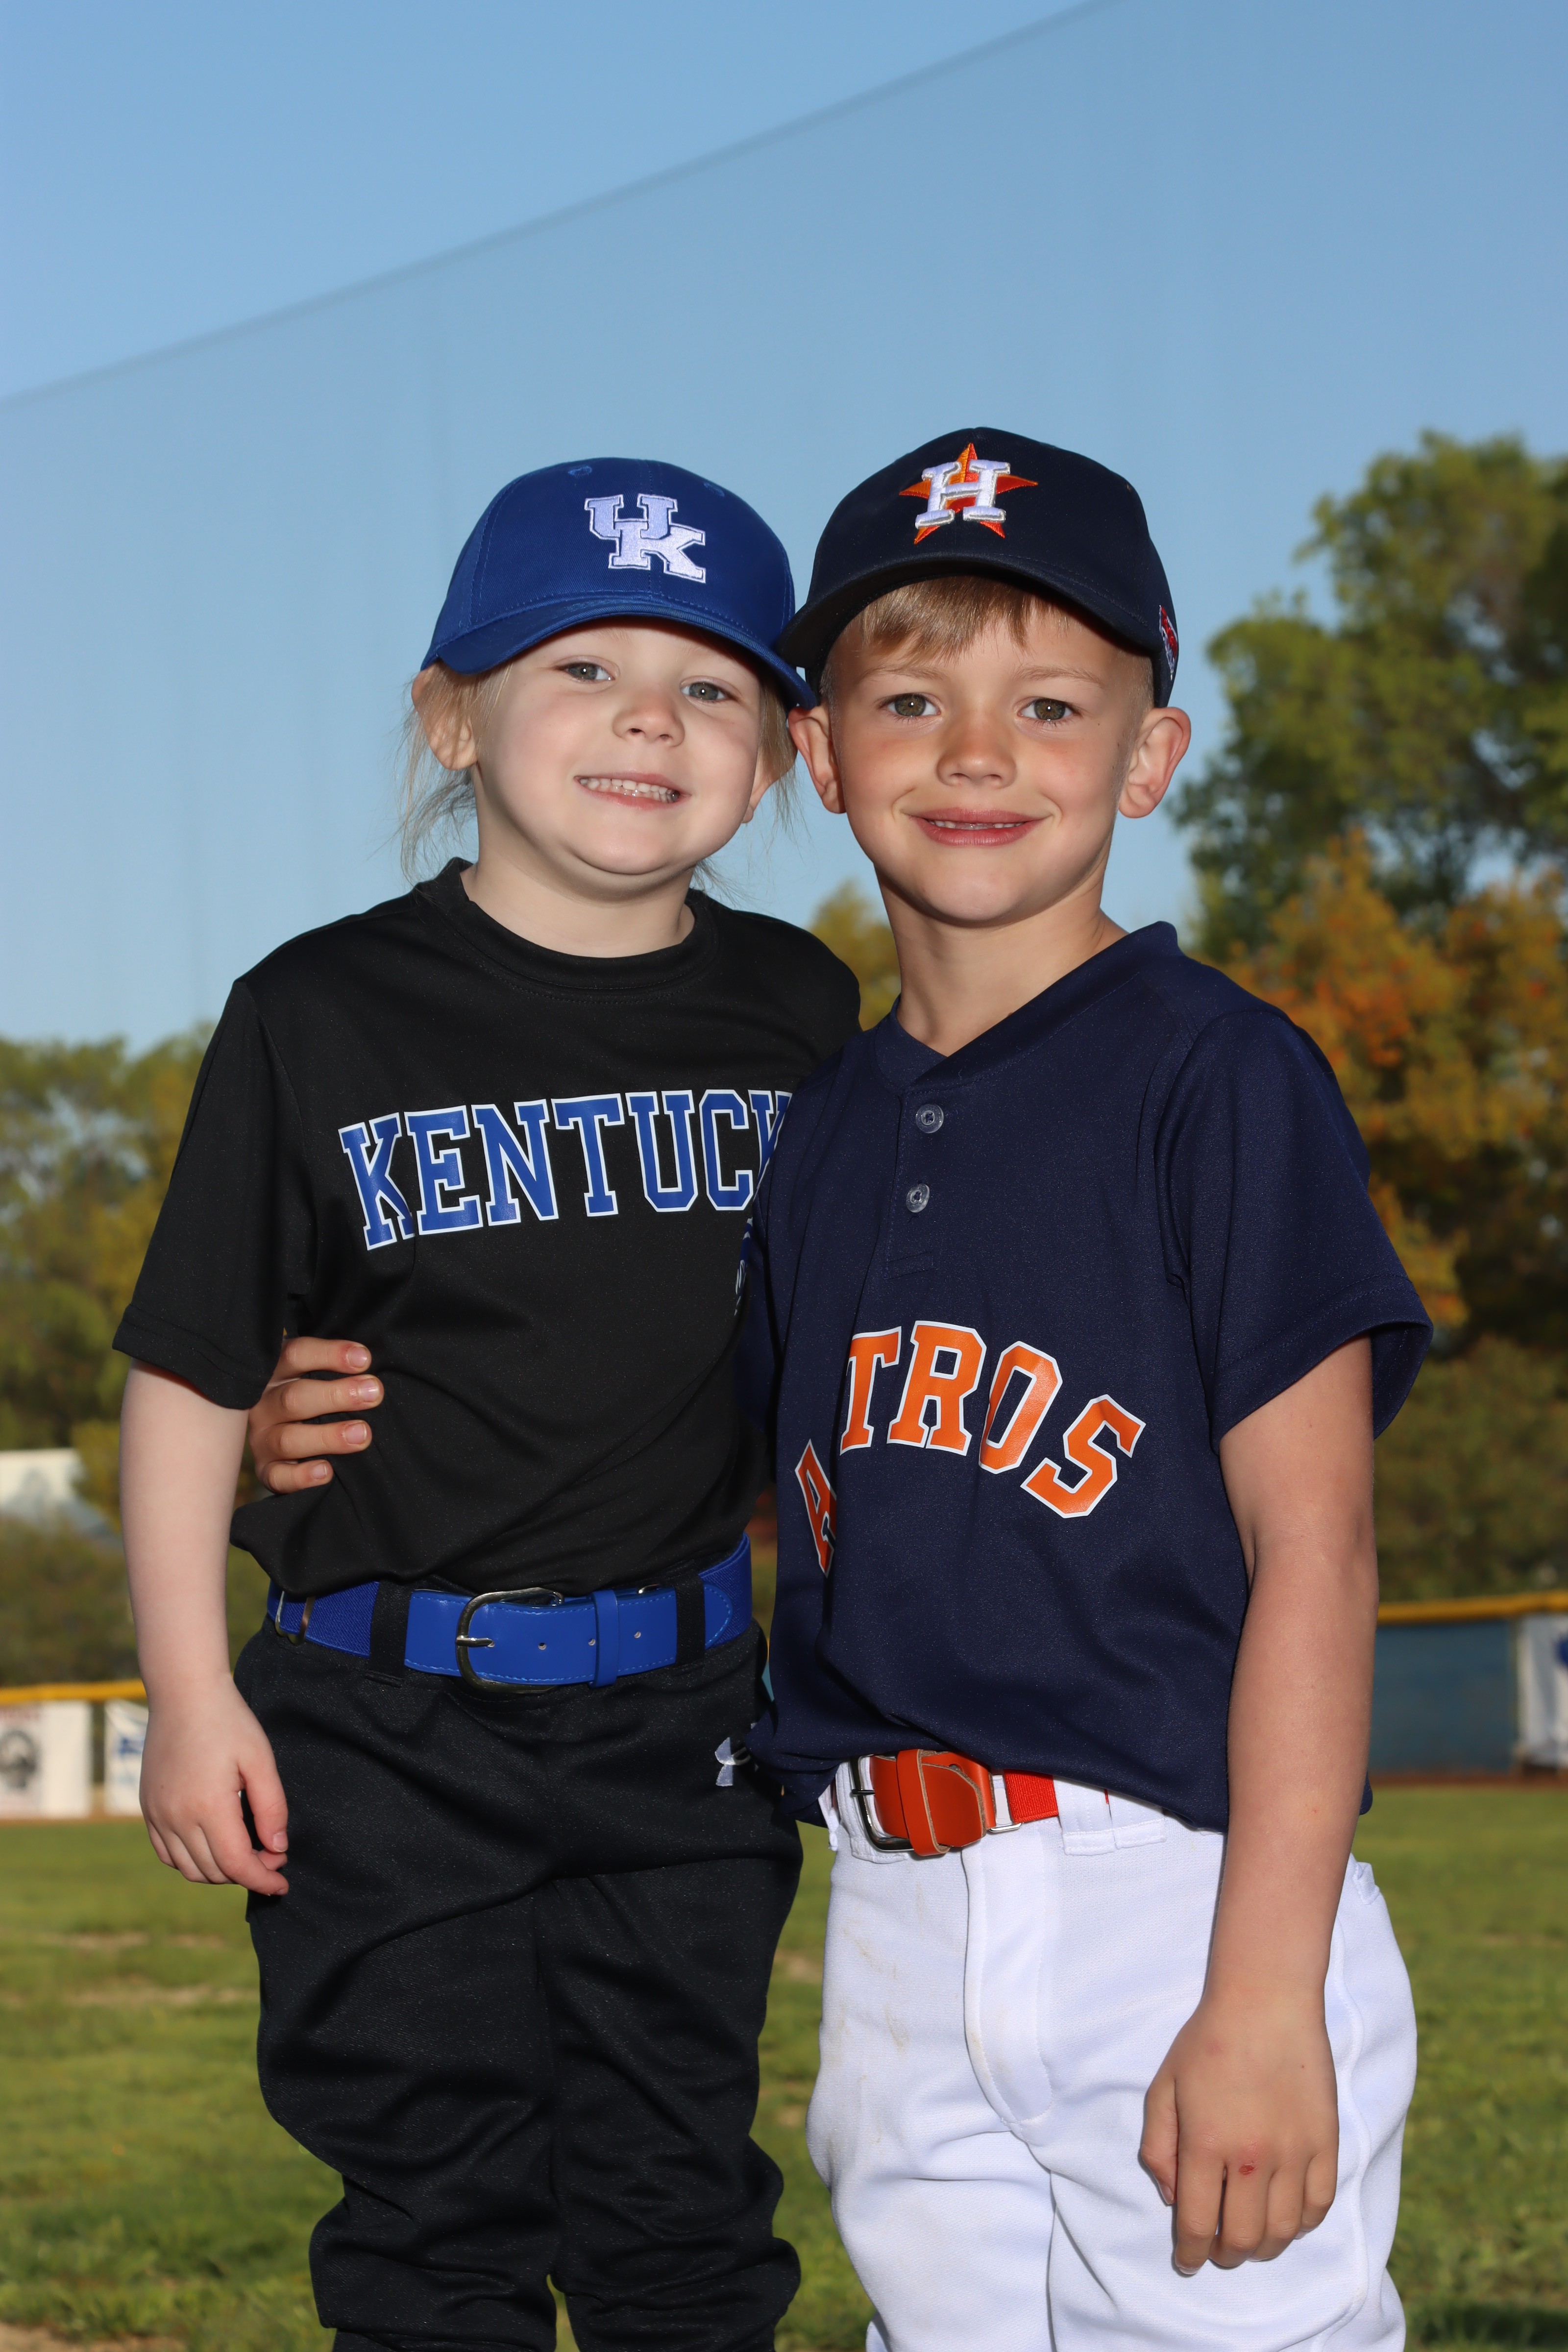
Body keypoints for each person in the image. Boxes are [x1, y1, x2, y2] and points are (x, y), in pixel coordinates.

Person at [115, 456, 859, 2352]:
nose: (647, 718)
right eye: (582, 666)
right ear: (452, 718)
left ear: (780, 755)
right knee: (432, 2230)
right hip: (384, 1720)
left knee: (681, 2217)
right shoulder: (316, 1011)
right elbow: (194, 1366)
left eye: (709, 685)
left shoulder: (802, 1012)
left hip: (682, 1716)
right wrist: (189, 1695)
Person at [743, 432, 1430, 2350]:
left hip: (1173, 1892)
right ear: (817, 751)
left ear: (1149, 754)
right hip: (895, 1908)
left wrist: (1264, 1989)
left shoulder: (1217, 1077)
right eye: (908, 699)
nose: (976, 752)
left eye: (1050, 704)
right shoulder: (819, 1133)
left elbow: (1317, 1549)